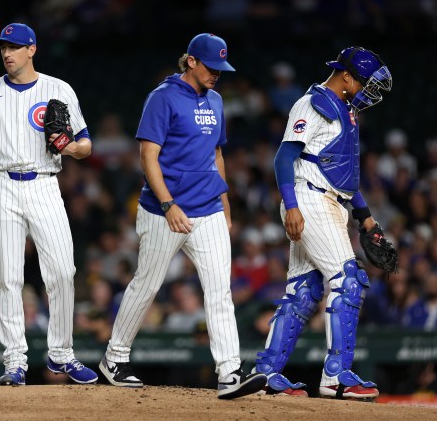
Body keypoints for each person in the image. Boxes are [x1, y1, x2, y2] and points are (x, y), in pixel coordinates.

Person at [98, 33, 267, 399]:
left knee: (220, 290)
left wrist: (225, 202)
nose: (217, 74)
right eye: (211, 66)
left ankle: (229, 373)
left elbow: (217, 154)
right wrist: (167, 204)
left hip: (207, 208)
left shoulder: (218, 100)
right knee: (146, 285)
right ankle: (115, 358)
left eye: (221, 68)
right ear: (191, 61)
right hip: (164, 212)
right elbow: (148, 156)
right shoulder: (163, 97)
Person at [252, 47, 393, 399]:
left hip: (329, 199)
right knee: (348, 280)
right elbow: (284, 157)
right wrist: (291, 204)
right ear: (346, 76)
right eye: (363, 82)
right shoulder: (312, 103)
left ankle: (265, 373)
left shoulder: (344, 110)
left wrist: (365, 217)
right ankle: (337, 376)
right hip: (309, 200)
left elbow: (340, 173)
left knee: (305, 289)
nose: (366, 90)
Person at [0, 23, 97, 386]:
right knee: (8, 277)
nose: (7, 53)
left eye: (15, 47)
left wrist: (67, 147)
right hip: (2, 185)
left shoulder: (58, 89)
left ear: (32, 49)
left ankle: (62, 354)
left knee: (63, 272)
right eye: (3, 47)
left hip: (45, 184)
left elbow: (86, 145)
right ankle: (14, 362)